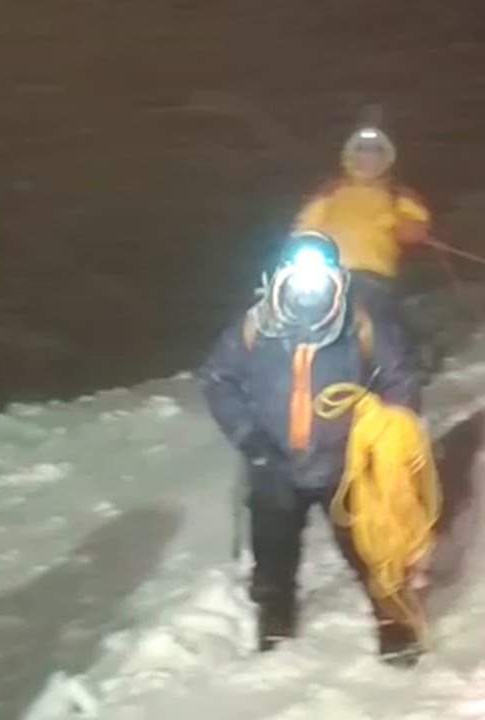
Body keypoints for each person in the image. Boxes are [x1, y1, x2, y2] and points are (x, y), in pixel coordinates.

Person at [199, 230, 426, 666]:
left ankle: (393, 618)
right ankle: (275, 613)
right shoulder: (253, 328)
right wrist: (249, 437)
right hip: (273, 462)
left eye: (319, 282)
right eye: (299, 281)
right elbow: (217, 379)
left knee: (370, 545)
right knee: (273, 548)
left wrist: (384, 434)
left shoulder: (361, 327)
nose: (309, 292)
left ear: (337, 282)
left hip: (345, 462)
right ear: (280, 280)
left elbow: (400, 379)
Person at [292, 126, 433, 322]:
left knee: (377, 328)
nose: (368, 156)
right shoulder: (331, 190)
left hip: (374, 275)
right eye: (363, 150)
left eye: (375, 151)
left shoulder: (396, 194)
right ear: (352, 156)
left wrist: (394, 221)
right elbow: (303, 228)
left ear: (384, 159)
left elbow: (419, 229)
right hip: (326, 274)